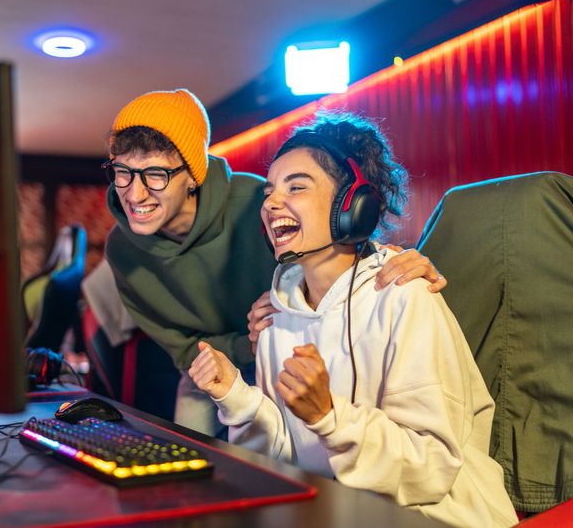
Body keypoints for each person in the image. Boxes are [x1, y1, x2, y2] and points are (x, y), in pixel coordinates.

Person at [188, 113, 517, 527]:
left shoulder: (404, 294)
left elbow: (430, 469)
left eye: (297, 187)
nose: (270, 203)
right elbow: (284, 454)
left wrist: (329, 417)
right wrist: (235, 396)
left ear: (353, 206)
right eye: (270, 191)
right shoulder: (277, 313)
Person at [104, 89, 445, 436]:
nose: (135, 194)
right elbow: (184, 351)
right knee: (190, 465)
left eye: (156, 174)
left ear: (192, 176)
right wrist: (246, 345)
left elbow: (328, 238)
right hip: (219, 361)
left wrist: (389, 259)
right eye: (122, 173)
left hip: (290, 348)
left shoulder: (258, 200)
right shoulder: (121, 251)